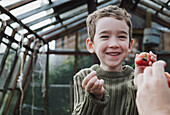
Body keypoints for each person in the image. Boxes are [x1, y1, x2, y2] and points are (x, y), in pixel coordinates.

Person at [72, 5, 156, 115]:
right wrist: (95, 97)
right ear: (91, 45)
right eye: (105, 36)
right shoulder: (84, 78)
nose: (114, 44)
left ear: (130, 45)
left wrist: (138, 84)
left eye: (121, 37)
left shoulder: (134, 78)